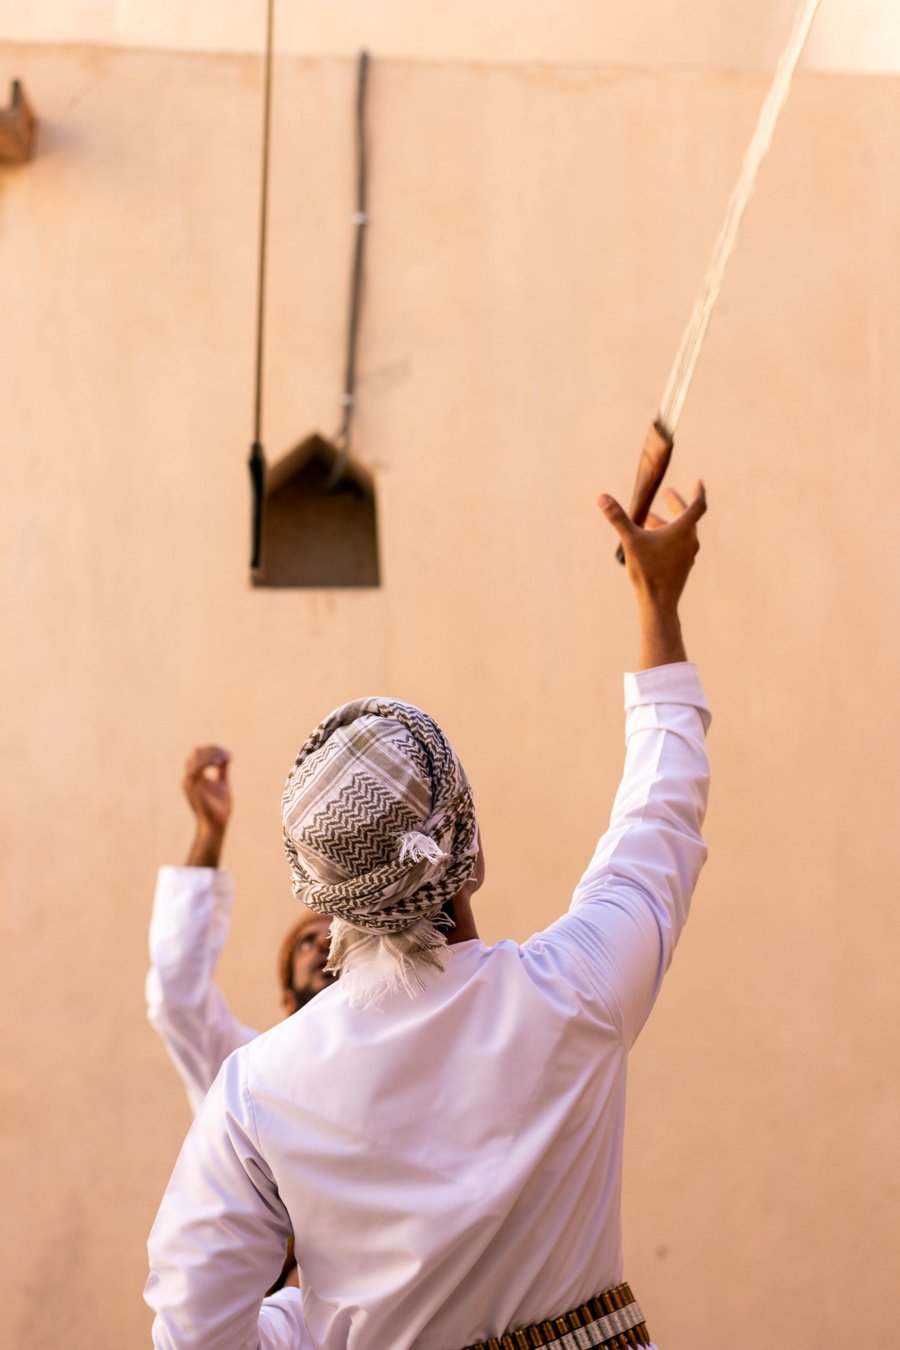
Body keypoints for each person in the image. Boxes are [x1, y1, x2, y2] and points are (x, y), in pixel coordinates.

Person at [145, 479, 710, 1350]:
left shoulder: (257, 1092)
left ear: (321, 900)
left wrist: (331, 1320)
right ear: (470, 853)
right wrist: (656, 602)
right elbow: (658, 817)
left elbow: (195, 1336)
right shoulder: (579, 992)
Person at [146, 745, 335, 1113]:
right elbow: (178, 995)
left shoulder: (398, 1063)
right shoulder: (248, 1075)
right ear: (287, 995)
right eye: (306, 942)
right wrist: (209, 833)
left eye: (338, 938)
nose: (324, 942)